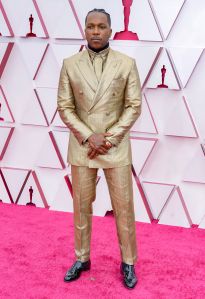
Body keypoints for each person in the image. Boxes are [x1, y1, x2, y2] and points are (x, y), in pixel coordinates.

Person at [57, 8, 141, 289]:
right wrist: (87, 136)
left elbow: (133, 106)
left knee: (124, 208)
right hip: (83, 148)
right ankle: (82, 258)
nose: (96, 31)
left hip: (114, 148)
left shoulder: (126, 63)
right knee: (81, 207)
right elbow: (65, 106)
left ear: (110, 30)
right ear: (84, 29)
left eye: (101, 26)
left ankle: (128, 262)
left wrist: (108, 138)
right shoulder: (70, 64)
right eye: (91, 26)